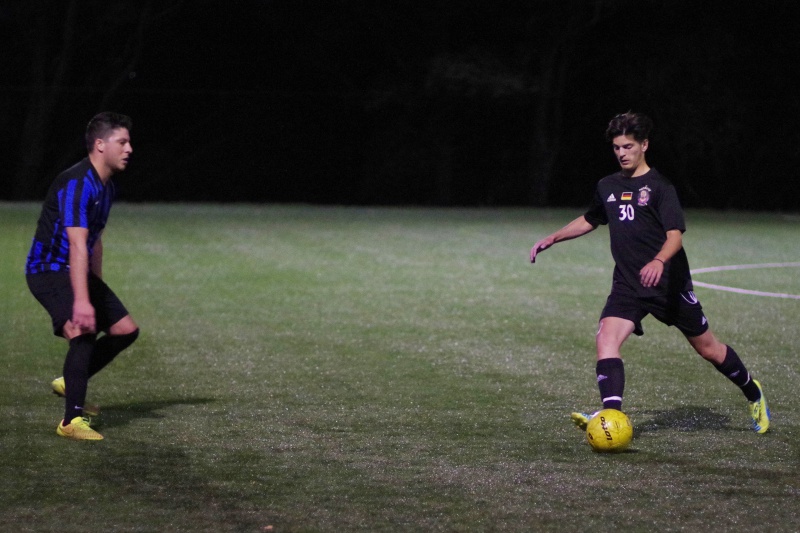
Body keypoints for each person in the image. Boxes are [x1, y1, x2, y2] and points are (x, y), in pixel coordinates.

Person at [529, 111, 770, 435]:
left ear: (644, 145)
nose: (621, 153)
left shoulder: (660, 188)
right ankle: (611, 416)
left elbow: (675, 236)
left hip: (668, 285)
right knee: (606, 340)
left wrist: (658, 261)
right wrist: (553, 237)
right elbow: (591, 219)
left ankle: (753, 392)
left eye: (628, 146)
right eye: (617, 147)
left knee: (708, 349)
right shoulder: (607, 186)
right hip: (628, 284)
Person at [26, 112, 140, 441]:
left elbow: (94, 241)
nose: (129, 148)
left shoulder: (107, 186)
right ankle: (70, 421)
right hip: (48, 270)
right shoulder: (78, 183)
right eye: (122, 142)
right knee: (83, 332)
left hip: (74, 269)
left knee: (125, 330)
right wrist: (82, 301)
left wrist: (95, 286)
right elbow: (76, 244)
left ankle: (71, 381)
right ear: (100, 145)